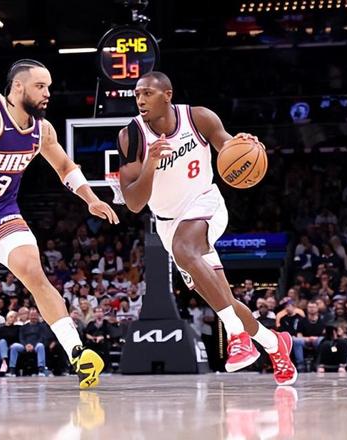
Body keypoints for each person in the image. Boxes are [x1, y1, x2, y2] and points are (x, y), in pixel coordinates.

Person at [0, 58, 118, 387]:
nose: (47, 93)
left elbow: (65, 166)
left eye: (49, 87)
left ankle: (78, 354)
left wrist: (91, 198)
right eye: (40, 86)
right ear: (18, 87)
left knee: (33, 271)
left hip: (0, 210)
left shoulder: (42, 130)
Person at [117, 71, 296, 385]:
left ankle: (237, 336)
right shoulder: (131, 135)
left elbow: (228, 147)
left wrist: (242, 144)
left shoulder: (198, 118)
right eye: (137, 94)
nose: (141, 100)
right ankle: (274, 344)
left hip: (205, 204)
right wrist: (151, 165)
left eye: (147, 93)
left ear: (167, 95)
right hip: (168, 223)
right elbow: (133, 202)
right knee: (223, 298)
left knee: (184, 249)